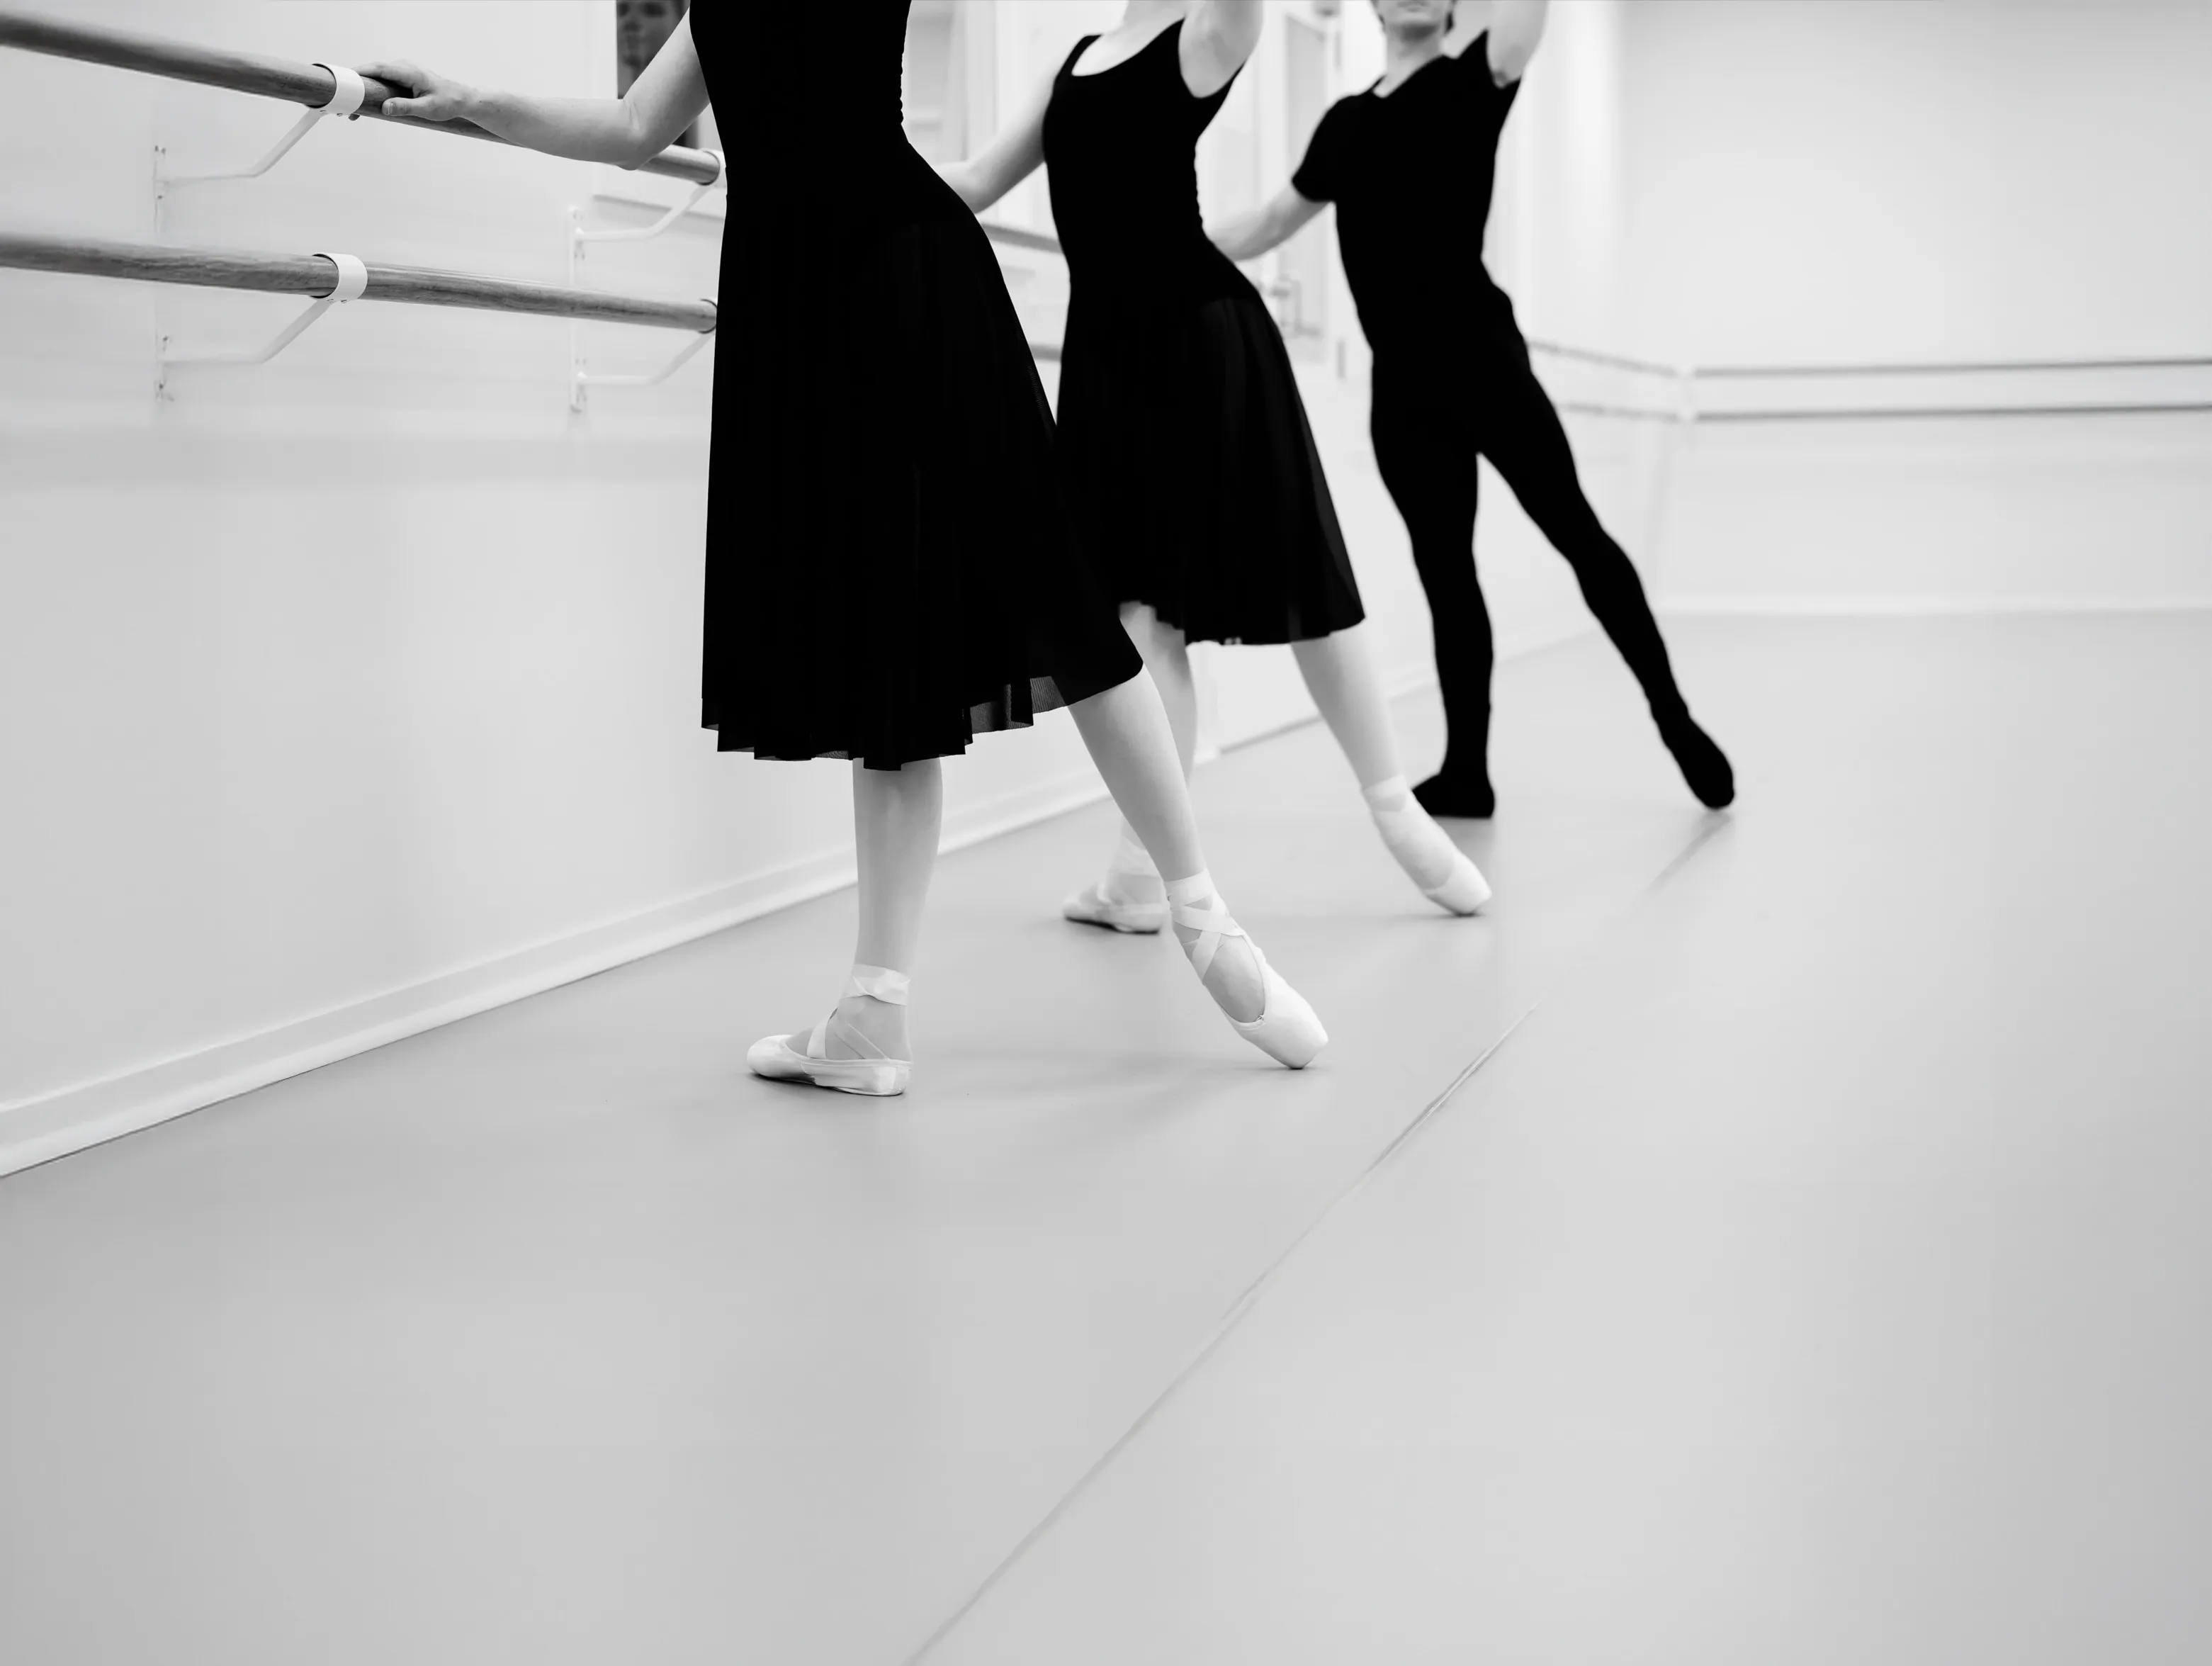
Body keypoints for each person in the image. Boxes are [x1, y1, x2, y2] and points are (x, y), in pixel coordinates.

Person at [359, 0, 1326, 1095]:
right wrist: (472, 101)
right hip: (812, 306)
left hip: (881, 276)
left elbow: (642, 126)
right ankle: (875, 1012)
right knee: (895, 642)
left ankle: (1199, 912)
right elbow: (635, 125)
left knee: (1054, 591)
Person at [939, 0, 1491, 935]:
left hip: (1201, 337)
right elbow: (976, 178)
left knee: (1304, 577)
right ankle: (1140, 874)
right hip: (1110, 362)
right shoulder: (1073, 61)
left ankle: (1398, 812)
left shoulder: (1205, 35)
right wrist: (830, 173)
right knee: (1140, 616)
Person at [1212, 0, 1734, 818]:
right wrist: (1165, 236)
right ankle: (1466, 772)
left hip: (1485, 365)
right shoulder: (1344, 123)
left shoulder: (1475, 77)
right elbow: (1271, 220)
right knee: (1446, 576)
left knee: (1577, 534)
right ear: (1375, 6)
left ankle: (1673, 718)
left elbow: (1530, 16)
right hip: (1403, 393)